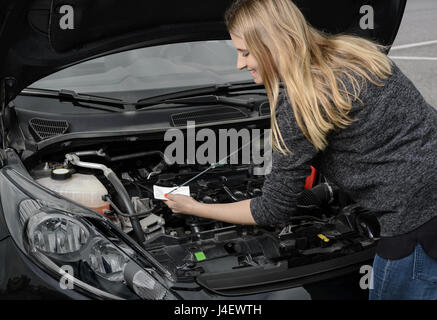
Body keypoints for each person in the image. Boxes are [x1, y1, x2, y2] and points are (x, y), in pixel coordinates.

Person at [163, 0, 437, 300]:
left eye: (245, 52)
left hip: (416, 225)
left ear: (272, 45)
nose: (240, 64)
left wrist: (192, 208)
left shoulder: (300, 100)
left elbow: (272, 210)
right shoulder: (357, 53)